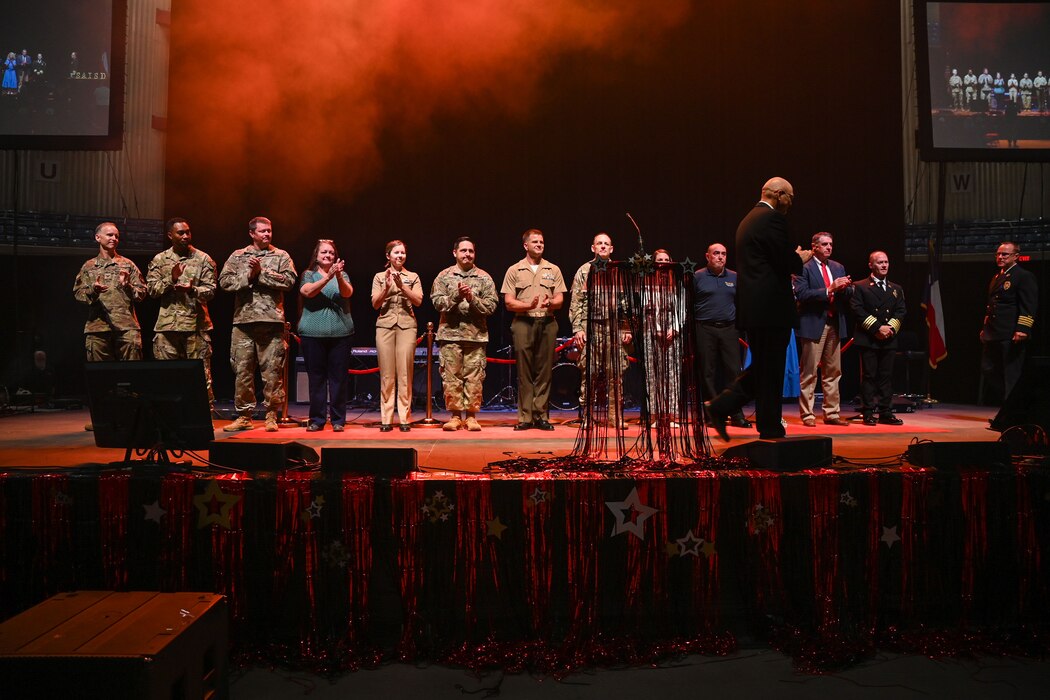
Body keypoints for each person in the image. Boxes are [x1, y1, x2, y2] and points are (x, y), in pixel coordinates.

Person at [705, 177, 812, 441]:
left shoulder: (748, 219)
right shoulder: (772, 219)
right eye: (790, 197)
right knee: (770, 370)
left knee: (765, 368)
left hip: (756, 309)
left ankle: (725, 407)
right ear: (778, 194)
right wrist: (799, 259)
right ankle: (767, 426)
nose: (791, 203)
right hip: (770, 309)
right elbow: (783, 261)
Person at [219, 216, 297, 432]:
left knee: (272, 372)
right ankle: (244, 416)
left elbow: (289, 281)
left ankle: (271, 415)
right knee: (242, 371)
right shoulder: (238, 256)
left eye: (269, 231)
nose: (267, 234)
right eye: (262, 231)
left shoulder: (281, 256)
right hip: (243, 322)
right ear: (252, 233)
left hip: (271, 322)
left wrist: (261, 274)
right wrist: (248, 276)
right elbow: (224, 282)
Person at [501, 228, 566, 431]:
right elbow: (509, 302)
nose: (539, 245)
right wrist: (527, 306)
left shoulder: (553, 269)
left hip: (547, 322)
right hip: (523, 322)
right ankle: (525, 417)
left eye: (541, 242)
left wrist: (550, 302)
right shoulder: (515, 270)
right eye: (535, 242)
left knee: (544, 371)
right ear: (525, 245)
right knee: (525, 371)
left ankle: (541, 415)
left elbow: (560, 299)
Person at [146, 218, 217, 404]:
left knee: (201, 377)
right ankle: (171, 415)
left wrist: (192, 290)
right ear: (170, 235)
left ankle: (204, 415)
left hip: (196, 327)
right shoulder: (160, 259)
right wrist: (171, 279)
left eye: (188, 232)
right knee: (167, 377)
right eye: (180, 233)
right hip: (167, 328)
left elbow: (211, 290)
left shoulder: (203, 259)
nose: (186, 236)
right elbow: (151, 290)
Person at [431, 237, 498, 431]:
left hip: (476, 336)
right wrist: (457, 296)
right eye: (463, 250)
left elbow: (491, 306)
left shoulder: (484, 277)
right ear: (455, 253)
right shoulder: (444, 276)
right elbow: (437, 302)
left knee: (474, 378)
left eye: (471, 251)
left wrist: (472, 298)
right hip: (450, 336)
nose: (467, 254)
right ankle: (454, 416)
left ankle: (471, 416)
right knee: (451, 378)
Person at [569, 233, 632, 428]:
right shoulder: (584, 270)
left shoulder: (619, 271)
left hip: (614, 327)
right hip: (591, 326)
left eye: (606, 244)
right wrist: (578, 329)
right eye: (599, 243)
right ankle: (588, 415)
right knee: (590, 373)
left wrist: (627, 328)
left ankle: (615, 416)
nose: (603, 246)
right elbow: (577, 302)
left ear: (611, 249)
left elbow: (626, 303)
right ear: (593, 248)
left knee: (616, 374)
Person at [793, 232, 853, 427]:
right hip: (813, 323)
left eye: (831, 244)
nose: (829, 247)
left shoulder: (837, 267)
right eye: (825, 244)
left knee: (833, 371)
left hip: (835, 323)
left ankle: (832, 413)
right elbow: (802, 294)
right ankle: (807, 414)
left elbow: (847, 294)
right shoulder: (804, 267)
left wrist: (846, 288)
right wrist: (830, 289)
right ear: (814, 247)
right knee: (809, 372)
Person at [298, 239, 354, 432]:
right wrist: (327, 278)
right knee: (317, 379)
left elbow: (347, 293)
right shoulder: (308, 274)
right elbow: (308, 292)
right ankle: (317, 419)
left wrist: (337, 276)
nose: (328, 255)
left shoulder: (342, 274)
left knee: (339, 379)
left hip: (341, 333)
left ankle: (338, 420)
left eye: (331, 253)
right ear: (317, 255)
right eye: (324, 252)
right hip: (312, 334)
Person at [693, 242, 751, 429]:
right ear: (707, 256)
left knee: (734, 372)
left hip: (729, 329)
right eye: (716, 253)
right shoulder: (697, 276)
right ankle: (712, 414)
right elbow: (689, 304)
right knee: (707, 372)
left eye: (723, 254)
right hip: (705, 328)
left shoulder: (734, 277)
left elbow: (742, 303)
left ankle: (736, 414)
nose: (720, 257)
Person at [72, 221, 146, 362]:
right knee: (100, 372)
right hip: (98, 328)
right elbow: (78, 294)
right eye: (109, 235)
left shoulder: (128, 265)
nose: (114, 238)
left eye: (116, 236)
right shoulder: (89, 266)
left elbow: (142, 293)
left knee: (131, 370)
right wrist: (93, 291)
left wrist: (128, 286)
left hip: (126, 327)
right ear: (98, 237)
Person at [849, 251, 906, 426]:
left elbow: (901, 311)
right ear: (871, 265)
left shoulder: (896, 288)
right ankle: (867, 412)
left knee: (886, 376)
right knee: (869, 376)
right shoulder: (860, 286)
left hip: (889, 338)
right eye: (880, 262)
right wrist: (877, 328)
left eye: (886, 262)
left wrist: (890, 329)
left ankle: (885, 412)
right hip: (869, 338)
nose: (884, 265)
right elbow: (857, 310)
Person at [371, 240, 423, 432]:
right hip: (385, 325)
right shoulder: (379, 276)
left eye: (402, 253)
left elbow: (418, 301)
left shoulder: (413, 276)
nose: (400, 256)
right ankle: (386, 418)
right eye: (396, 253)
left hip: (407, 326)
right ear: (388, 256)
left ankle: (404, 418)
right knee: (387, 374)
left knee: (405, 373)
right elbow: (375, 304)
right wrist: (386, 287)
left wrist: (402, 287)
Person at [980, 241, 1038, 405]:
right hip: (993, 332)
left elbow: (1029, 305)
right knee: (988, 369)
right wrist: (985, 328)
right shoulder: (997, 277)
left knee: (1011, 374)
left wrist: (1023, 328)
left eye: (1005, 254)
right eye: (998, 254)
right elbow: (992, 306)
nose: (1000, 257)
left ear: (1016, 256)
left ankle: (1011, 411)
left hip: (1010, 332)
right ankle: (1011, 404)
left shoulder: (1023, 276)